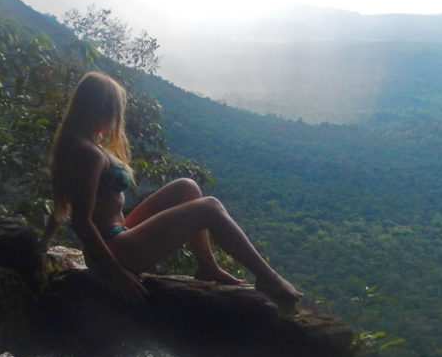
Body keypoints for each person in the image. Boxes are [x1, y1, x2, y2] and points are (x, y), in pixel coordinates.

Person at [40, 71, 302, 306]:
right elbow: (81, 220)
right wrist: (115, 272)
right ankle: (267, 277)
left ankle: (208, 266)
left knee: (187, 187)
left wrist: (44, 244)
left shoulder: (78, 144)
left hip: (118, 237)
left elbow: (65, 201)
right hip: (116, 251)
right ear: (102, 109)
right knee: (210, 207)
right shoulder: (88, 154)